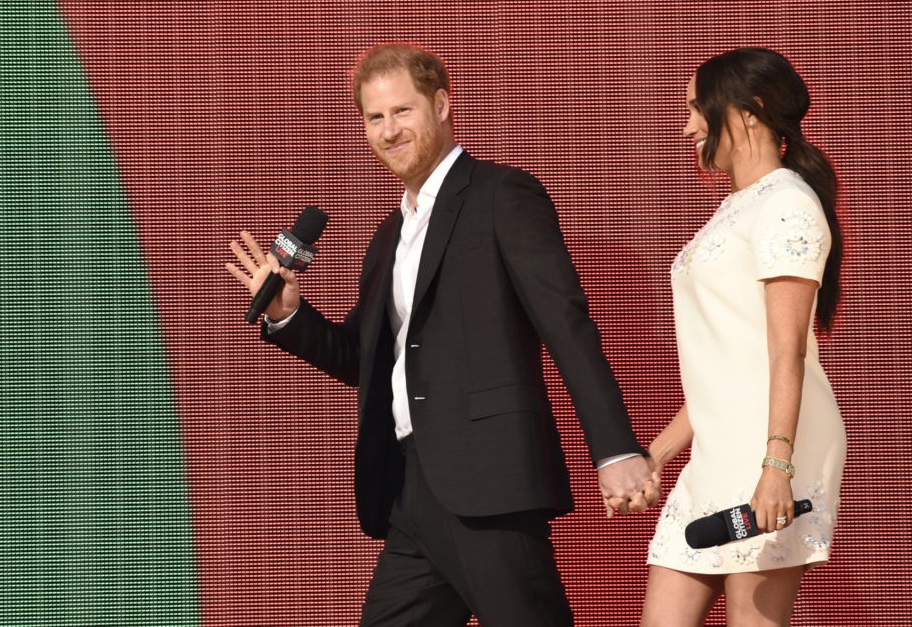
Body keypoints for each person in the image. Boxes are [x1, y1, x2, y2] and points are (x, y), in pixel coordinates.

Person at [227, 43, 657, 626]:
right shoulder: (388, 236)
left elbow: (567, 325)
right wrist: (288, 315)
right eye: (375, 118)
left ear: (442, 105)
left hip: (491, 483)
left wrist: (615, 449)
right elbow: (365, 359)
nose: (389, 130)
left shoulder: (502, 195)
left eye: (403, 111)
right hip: (410, 490)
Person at [640, 48, 847, 627]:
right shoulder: (738, 206)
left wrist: (776, 467)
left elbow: (788, 353)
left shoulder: (786, 205)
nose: (688, 127)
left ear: (748, 111)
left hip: (772, 452)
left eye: (696, 109)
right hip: (719, 451)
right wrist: (655, 454)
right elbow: (727, 369)